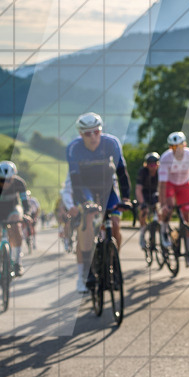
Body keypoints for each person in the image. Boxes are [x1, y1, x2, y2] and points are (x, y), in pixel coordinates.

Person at [65, 112, 132, 294]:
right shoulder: (73, 148)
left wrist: (126, 198)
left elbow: (122, 173)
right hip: (86, 188)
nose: (93, 136)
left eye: (96, 132)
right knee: (89, 219)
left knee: (115, 223)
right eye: (88, 134)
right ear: (81, 134)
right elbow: (76, 182)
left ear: (101, 130)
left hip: (108, 188)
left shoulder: (111, 143)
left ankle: (113, 262)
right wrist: (86, 202)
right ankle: (86, 272)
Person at [157, 131, 189, 266]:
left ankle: (188, 253)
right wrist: (162, 204)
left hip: (184, 185)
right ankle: (164, 232)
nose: (175, 150)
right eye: (172, 147)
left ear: (184, 145)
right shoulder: (166, 158)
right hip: (170, 185)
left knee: (186, 219)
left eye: (178, 146)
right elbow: (162, 184)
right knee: (169, 207)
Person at [135, 152, 160, 251]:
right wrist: (142, 204)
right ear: (146, 164)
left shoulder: (161, 171)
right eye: (150, 164)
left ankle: (163, 235)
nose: (152, 166)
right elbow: (138, 189)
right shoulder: (143, 172)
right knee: (143, 212)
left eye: (154, 164)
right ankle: (142, 234)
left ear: (158, 164)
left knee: (160, 212)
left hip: (155, 194)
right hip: (144, 194)